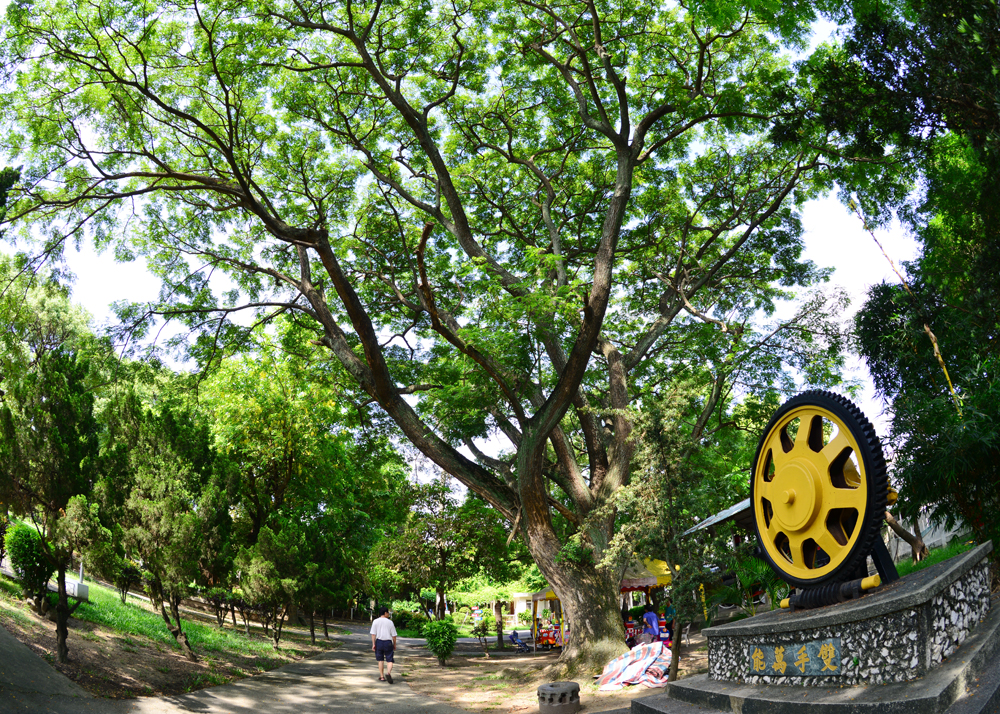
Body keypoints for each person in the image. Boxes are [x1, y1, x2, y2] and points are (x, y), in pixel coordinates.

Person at [370, 606, 398, 683]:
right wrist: (394, 644)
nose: (388, 614)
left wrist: (373, 644)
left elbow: (373, 634)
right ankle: (388, 673)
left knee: (380, 660)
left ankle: (382, 676)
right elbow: (394, 636)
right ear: (385, 613)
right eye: (388, 612)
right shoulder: (390, 622)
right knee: (390, 660)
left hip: (379, 642)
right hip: (388, 642)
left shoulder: (375, 621)